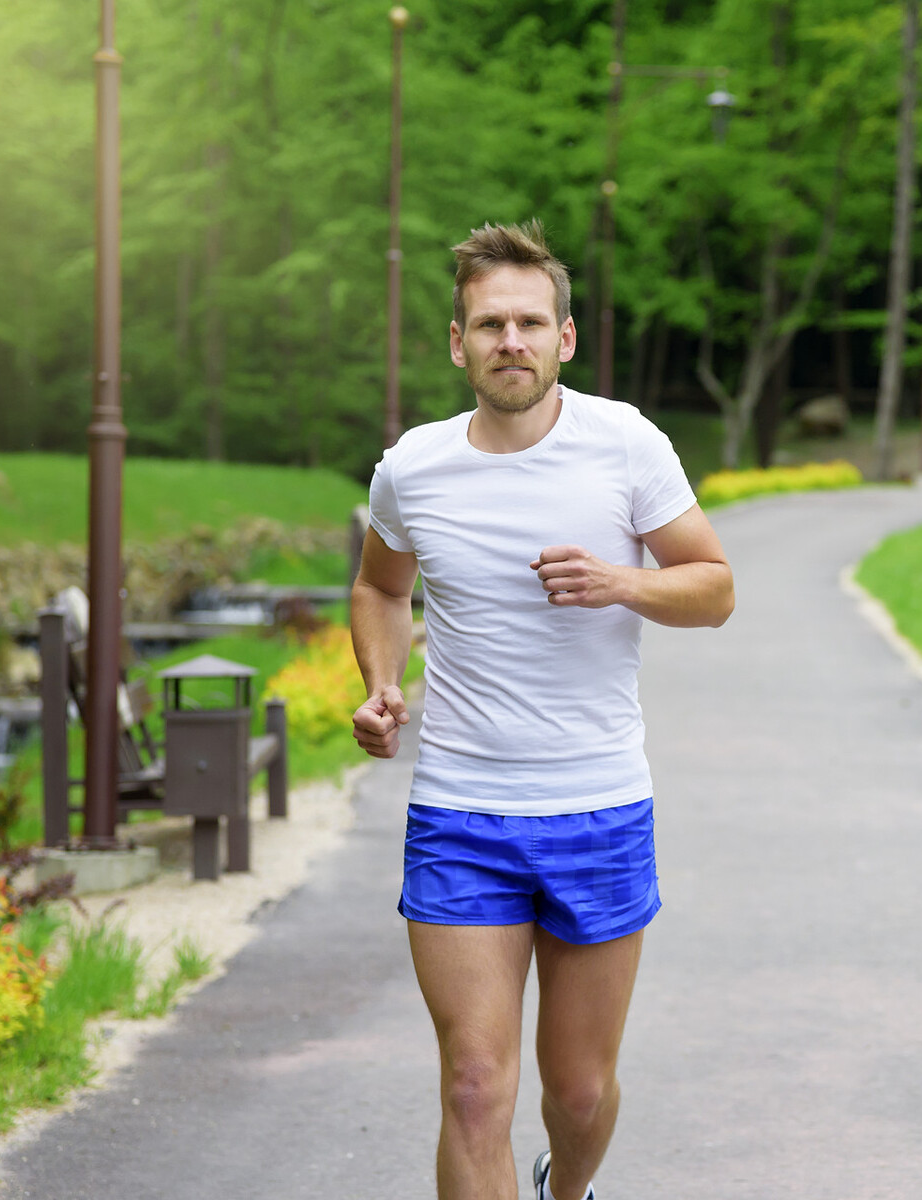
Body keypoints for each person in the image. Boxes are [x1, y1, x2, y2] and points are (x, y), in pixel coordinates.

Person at [350, 219, 734, 1200]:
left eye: (529, 322)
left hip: (599, 808)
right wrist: (382, 681)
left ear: (565, 338)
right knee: (476, 1087)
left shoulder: (626, 445)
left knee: (579, 1088)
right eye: (489, 324)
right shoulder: (414, 468)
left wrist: (622, 582)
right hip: (461, 814)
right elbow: (381, 587)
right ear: (458, 342)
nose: (509, 341)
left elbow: (715, 586)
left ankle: (570, 1190)